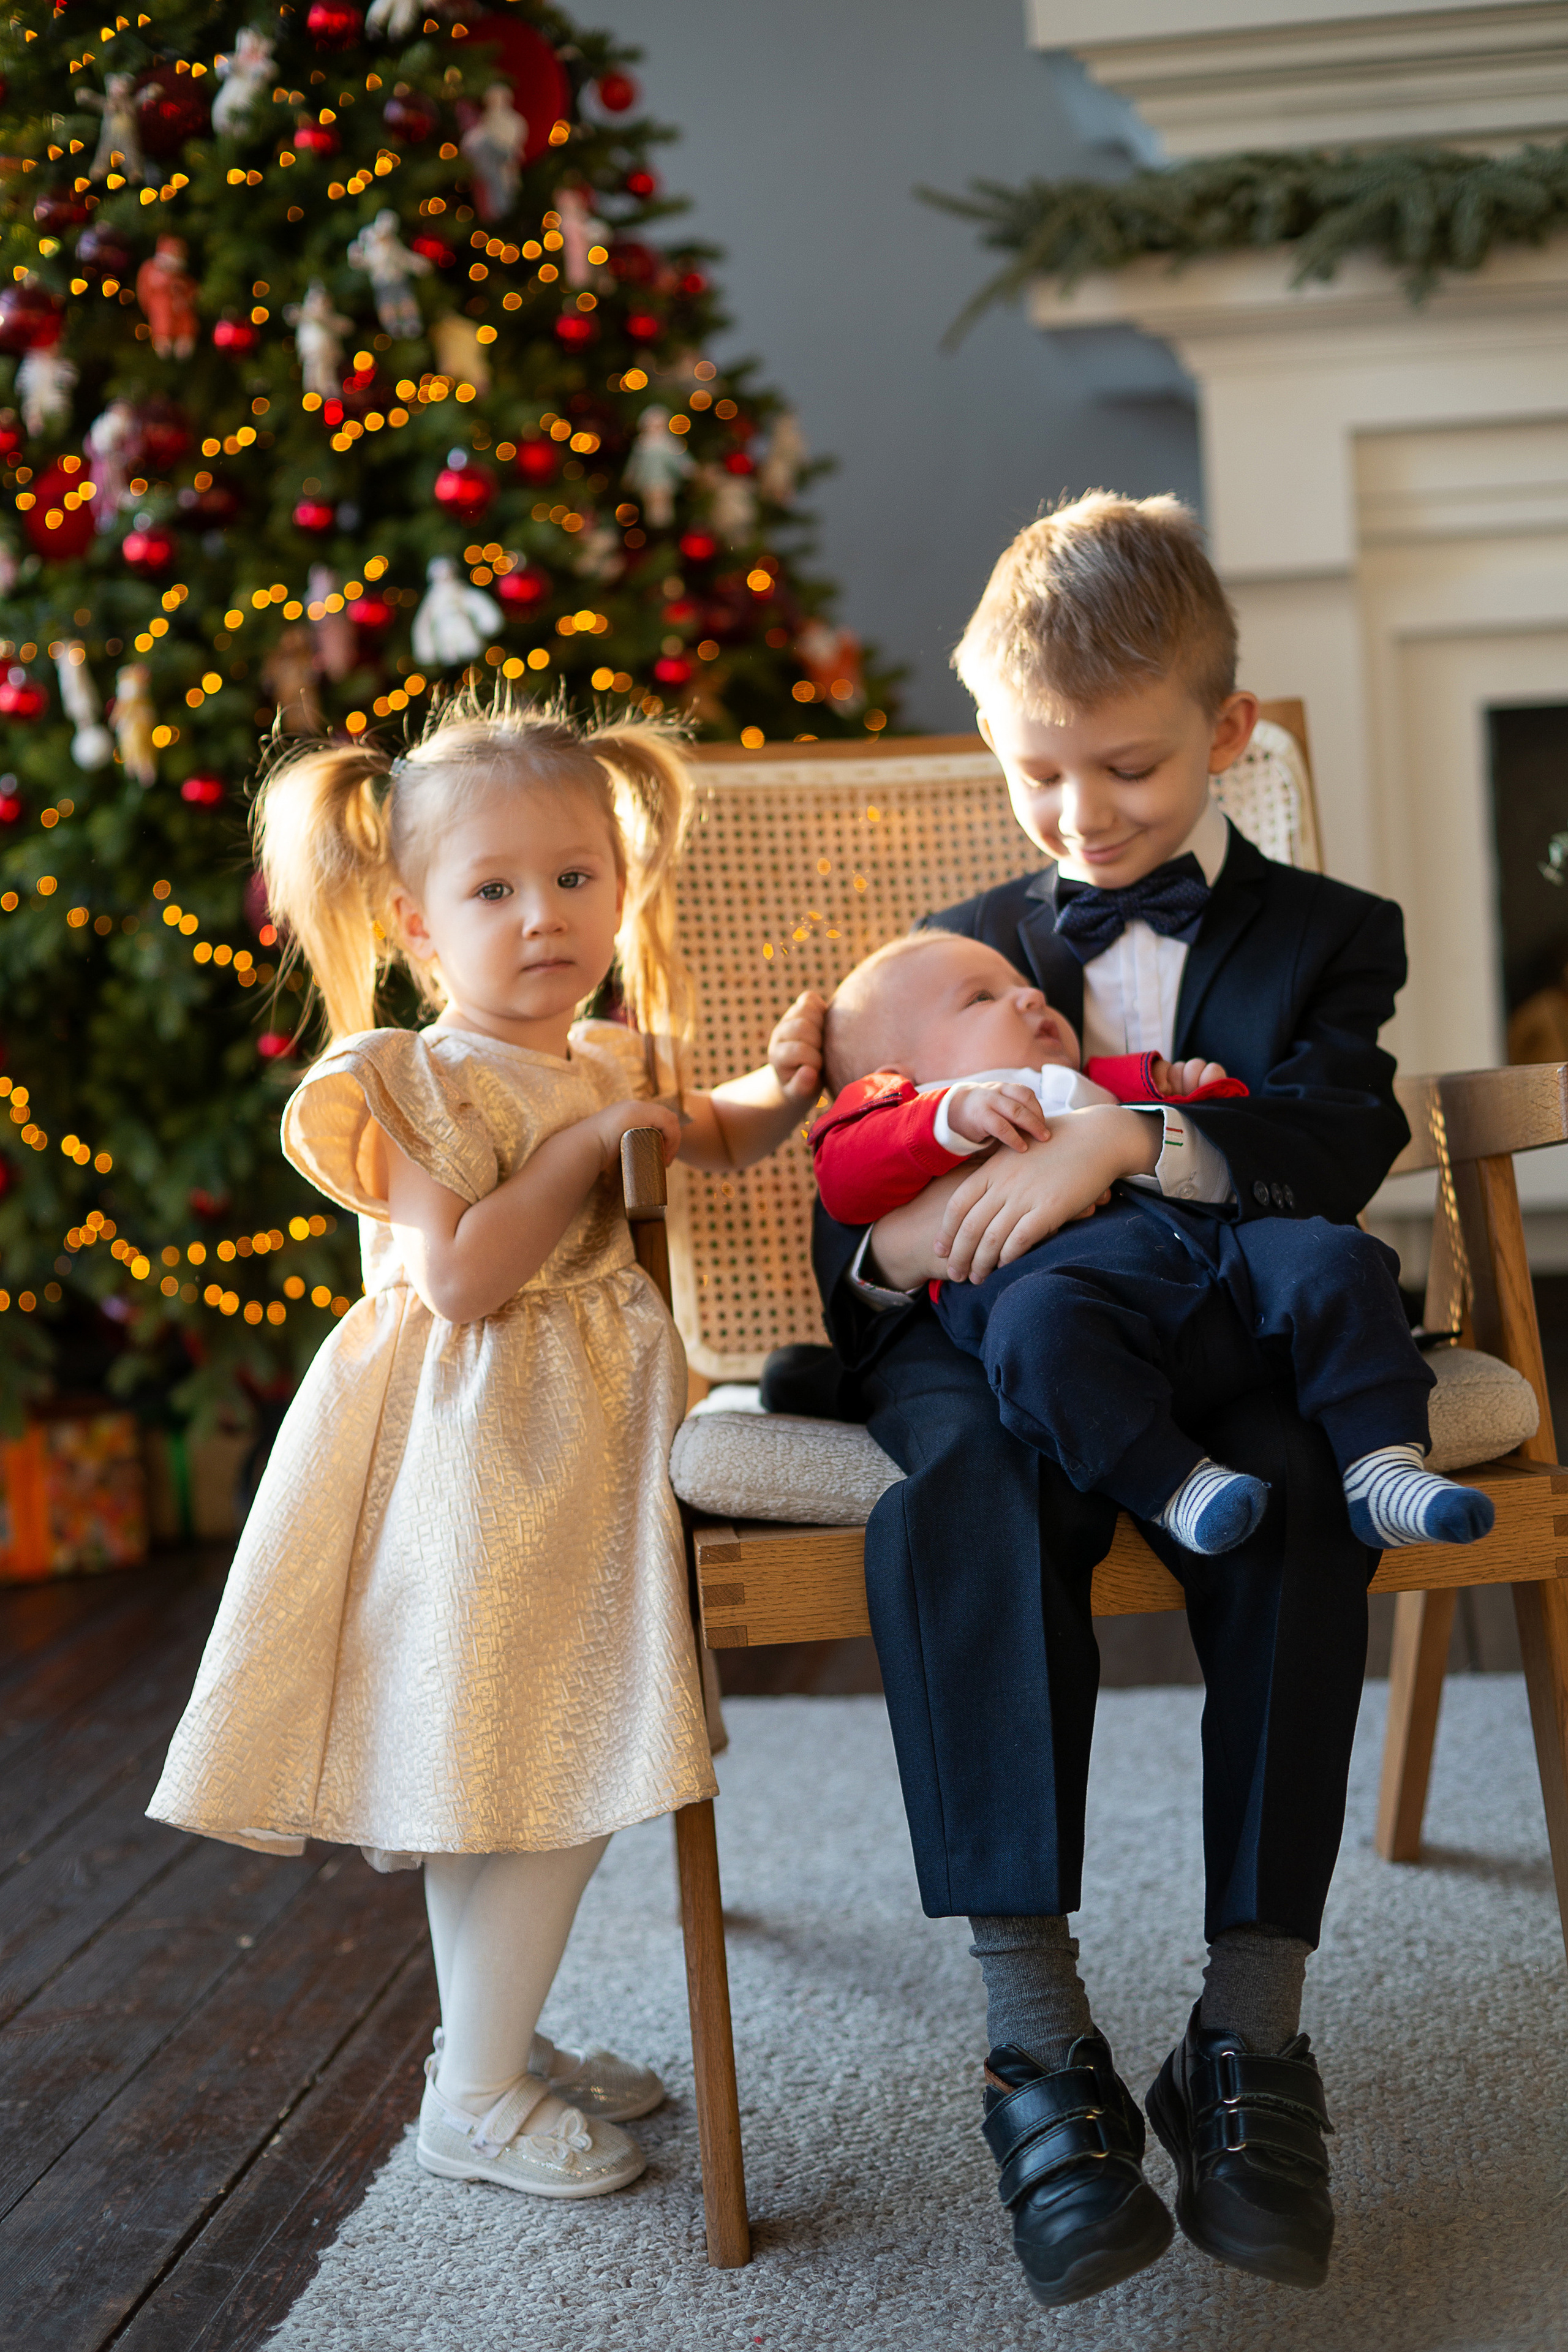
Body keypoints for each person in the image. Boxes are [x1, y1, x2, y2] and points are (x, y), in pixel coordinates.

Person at [768, 492, 1419, 2308]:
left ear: (1227, 731)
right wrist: (913, 1247)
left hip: (1215, 1322)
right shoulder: (953, 948)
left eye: (1123, 767)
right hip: (974, 1338)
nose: (1077, 815)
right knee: (954, 1487)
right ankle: (1033, 2039)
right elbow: (849, 1184)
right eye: (1035, 774)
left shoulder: (1323, 931)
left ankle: (1247, 2035)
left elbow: (1338, 1133)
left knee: (1290, 1476)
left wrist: (1124, 1138)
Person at [149, 693, 818, 2203]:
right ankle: (472, 2088)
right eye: (496, 889)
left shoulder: (600, 1053)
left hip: (579, 1454)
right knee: (535, 1772)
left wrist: (790, 1081)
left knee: (517, 1764)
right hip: (473, 1466)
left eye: (576, 877)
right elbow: (460, 1277)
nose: (543, 918)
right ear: (415, 918)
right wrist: (585, 1145)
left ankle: (491, 2044)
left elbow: (714, 1131)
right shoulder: (407, 1077)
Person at [809, 927, 1492, 1558]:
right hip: (1067, 1297)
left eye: (1022, 985)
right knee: (1035, 1338)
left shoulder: (1092, 1083)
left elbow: (1227, 1129)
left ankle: (1383, 1463)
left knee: (1334, 1256)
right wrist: (945, 1118)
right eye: (982, 997)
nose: (1029, 995)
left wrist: (1188, 1090)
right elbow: (843, 1177)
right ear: (891, 1075)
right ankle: (1175, 1487)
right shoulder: (907, 1113)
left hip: (1212, 1260)